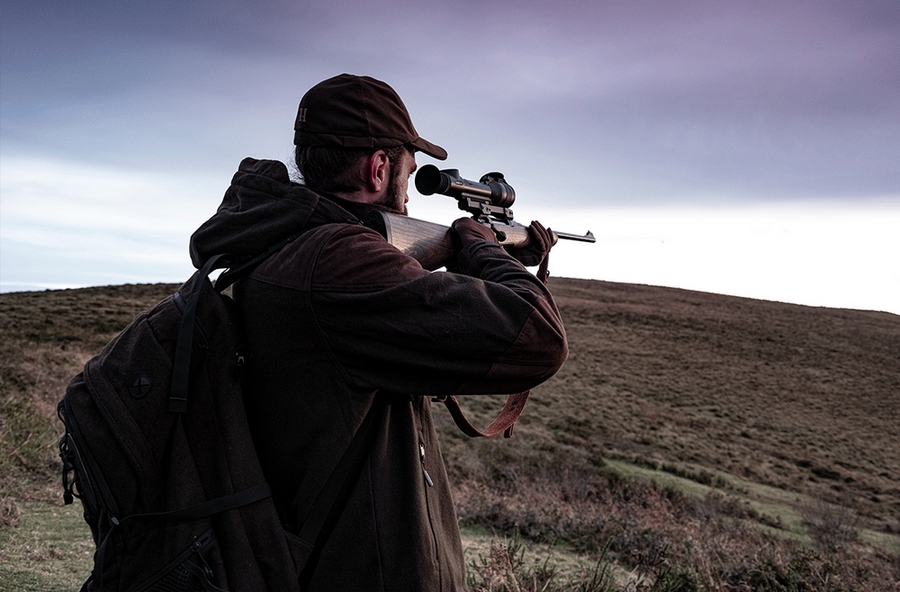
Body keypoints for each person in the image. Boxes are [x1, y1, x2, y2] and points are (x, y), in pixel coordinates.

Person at [189, 74, 568, 591]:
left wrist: (486, 254)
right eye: (408, 175)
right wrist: (484, 249)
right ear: (378, 168)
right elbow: (539, 338)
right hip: (361, 568)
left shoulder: (285, 242)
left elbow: (390, 296)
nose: (408, 198)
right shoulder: (337, 260)